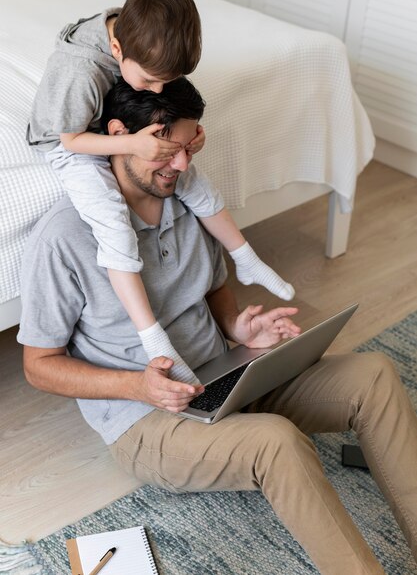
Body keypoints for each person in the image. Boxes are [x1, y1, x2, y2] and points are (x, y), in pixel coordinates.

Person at [19, 77, 417, 575]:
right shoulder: (65, 236)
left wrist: (240, 330)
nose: (183, 165)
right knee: (276, 442)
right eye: (168, 152)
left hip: (226, 378)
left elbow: (211, 288)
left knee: (375, 374)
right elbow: (39, 366)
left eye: (189, 149)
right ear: (121, 135)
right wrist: (138, 388)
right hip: (147, 421)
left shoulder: (189, 201)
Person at [26, 0, 294, 388]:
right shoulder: (78, 70)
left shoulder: (139, 33)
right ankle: (154, 339)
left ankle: (246, 258)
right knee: (112, 222)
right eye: (151, 81)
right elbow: (70, 139)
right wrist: (135, 142)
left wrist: (184, 140)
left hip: (111, 128)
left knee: (193, 182)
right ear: (117, 51)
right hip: (69, 141)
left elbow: (156, 96)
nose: (158, 89)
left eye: (165, 82)